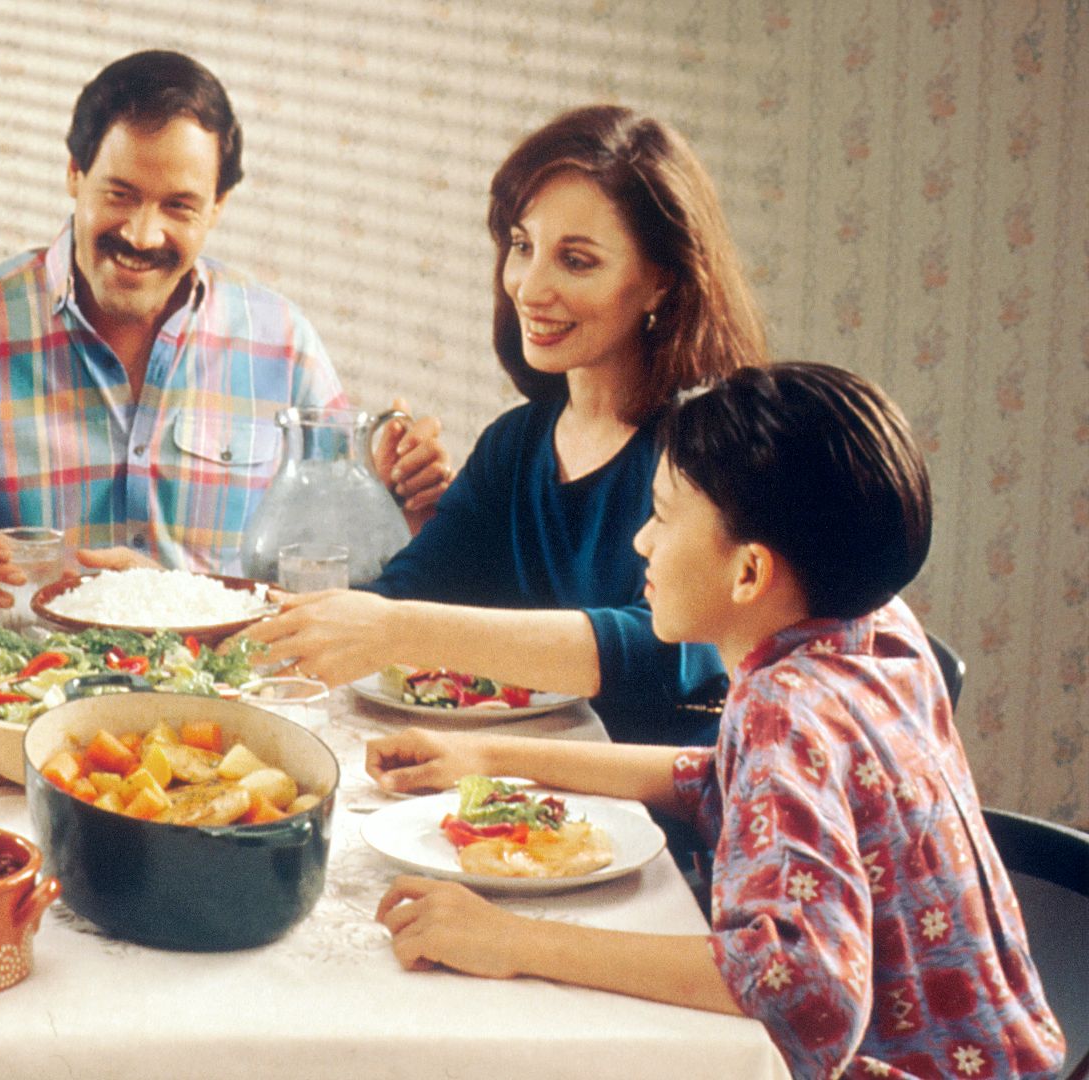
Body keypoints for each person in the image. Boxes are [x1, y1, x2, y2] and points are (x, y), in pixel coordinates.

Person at [368, 364, 1066, 1079]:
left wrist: (510, 939)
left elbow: (800, 985)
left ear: (748, 574)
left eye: (663, 516)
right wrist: (490, 758)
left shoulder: (785, 706)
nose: (642, 542)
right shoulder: (878, 628)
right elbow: (728, 776)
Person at [0, 50, 451, 617]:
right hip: (20, 694)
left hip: (225, 703)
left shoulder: (282, 343)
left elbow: (332, 568)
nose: (142, 233)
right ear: (75, 174)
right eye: (120, 194)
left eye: (178, 207)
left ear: (218, 207)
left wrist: (398, 505)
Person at [246, 105, 770, 745]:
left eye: (576, 260)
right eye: (523, 246)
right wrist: (192, 606)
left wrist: (400, 628)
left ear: (660, 281)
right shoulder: (516, 445)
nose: (529, 286)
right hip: (517, 798)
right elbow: (400, 595)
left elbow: (668, 645)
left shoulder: (707, 452)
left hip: (668, 817)